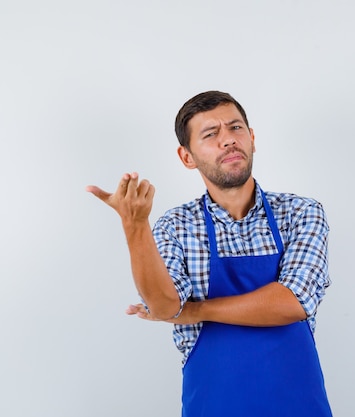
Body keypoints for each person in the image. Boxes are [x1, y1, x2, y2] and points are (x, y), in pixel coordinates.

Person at [86, 91, 333, 416]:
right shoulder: (176, 226)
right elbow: (165, 306)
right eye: (210, 134)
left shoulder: (301, 212)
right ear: (187, 157)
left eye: (235, 128)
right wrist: (136, 228)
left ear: (252, 138)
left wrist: (195, 310)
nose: (228, 140)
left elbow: (292, 302)